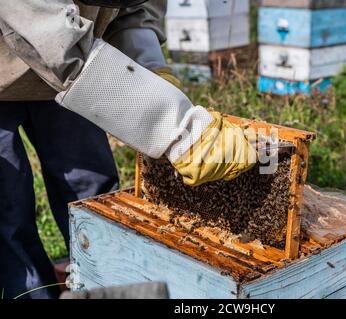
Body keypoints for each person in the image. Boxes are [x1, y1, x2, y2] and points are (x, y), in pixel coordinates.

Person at [0, 0, 257, 299]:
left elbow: (135, 8)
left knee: (93, 188)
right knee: (8, 207)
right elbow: (46, 32)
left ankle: (106, 282)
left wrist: (150, 67)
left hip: (74, 58)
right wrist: (177, 128)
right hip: (34, 45)